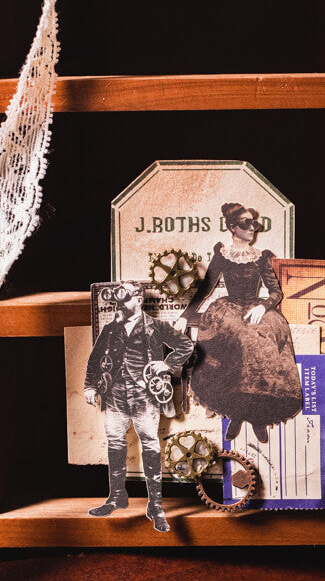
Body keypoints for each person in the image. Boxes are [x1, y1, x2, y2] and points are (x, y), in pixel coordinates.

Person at [174, 202, 302, 443]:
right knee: (240, 339)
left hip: (256, 307)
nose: (252, 228)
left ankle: (257, 417)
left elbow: (276, 292)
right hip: (228, 309)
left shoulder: (260, 257)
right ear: (233, 228)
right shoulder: (223, 255)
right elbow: (206, 288)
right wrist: (185, 315)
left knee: (261, 340)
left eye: (254, 223)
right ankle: (236, 414)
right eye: (246, 223)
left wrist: (263, 306)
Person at [85, 282, 194, 532]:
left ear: (138, 299)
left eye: (125, 297)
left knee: (150, 443)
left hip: (145, 395)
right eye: (118, 297)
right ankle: (116, 497)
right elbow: (94, 358)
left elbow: (186, 345)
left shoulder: (155, 326)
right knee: (115, 441)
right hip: (115, 394)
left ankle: (155, 506)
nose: (120, 302)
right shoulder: (111, 328)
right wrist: (90, 387)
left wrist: (168, 364)